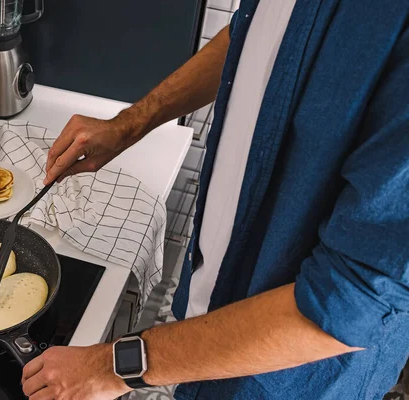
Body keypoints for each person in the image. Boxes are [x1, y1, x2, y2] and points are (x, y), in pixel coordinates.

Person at [21, 1, 409, 399]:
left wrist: (111, 367)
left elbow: (349, 303)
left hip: (291, 380)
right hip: (210, 323)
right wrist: (129, 124)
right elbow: (248, 34)